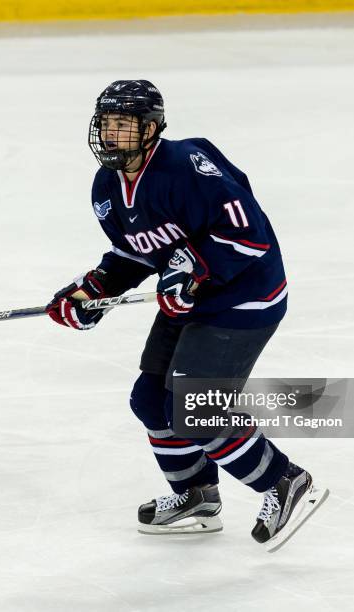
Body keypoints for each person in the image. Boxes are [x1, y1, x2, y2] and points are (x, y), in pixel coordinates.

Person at [46, 80, 328, 549]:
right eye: (106, 124)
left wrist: (194, 268)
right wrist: (94, 289)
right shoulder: (106, 187)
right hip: (190, 299)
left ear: (151, 128)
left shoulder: (187, 168)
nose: (111, 135)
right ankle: (197, 493)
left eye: (124, 125)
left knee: (194, 409)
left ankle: (285, 482)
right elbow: (136, 252)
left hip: (244, 297)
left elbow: (249, 234)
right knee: (152, 401)